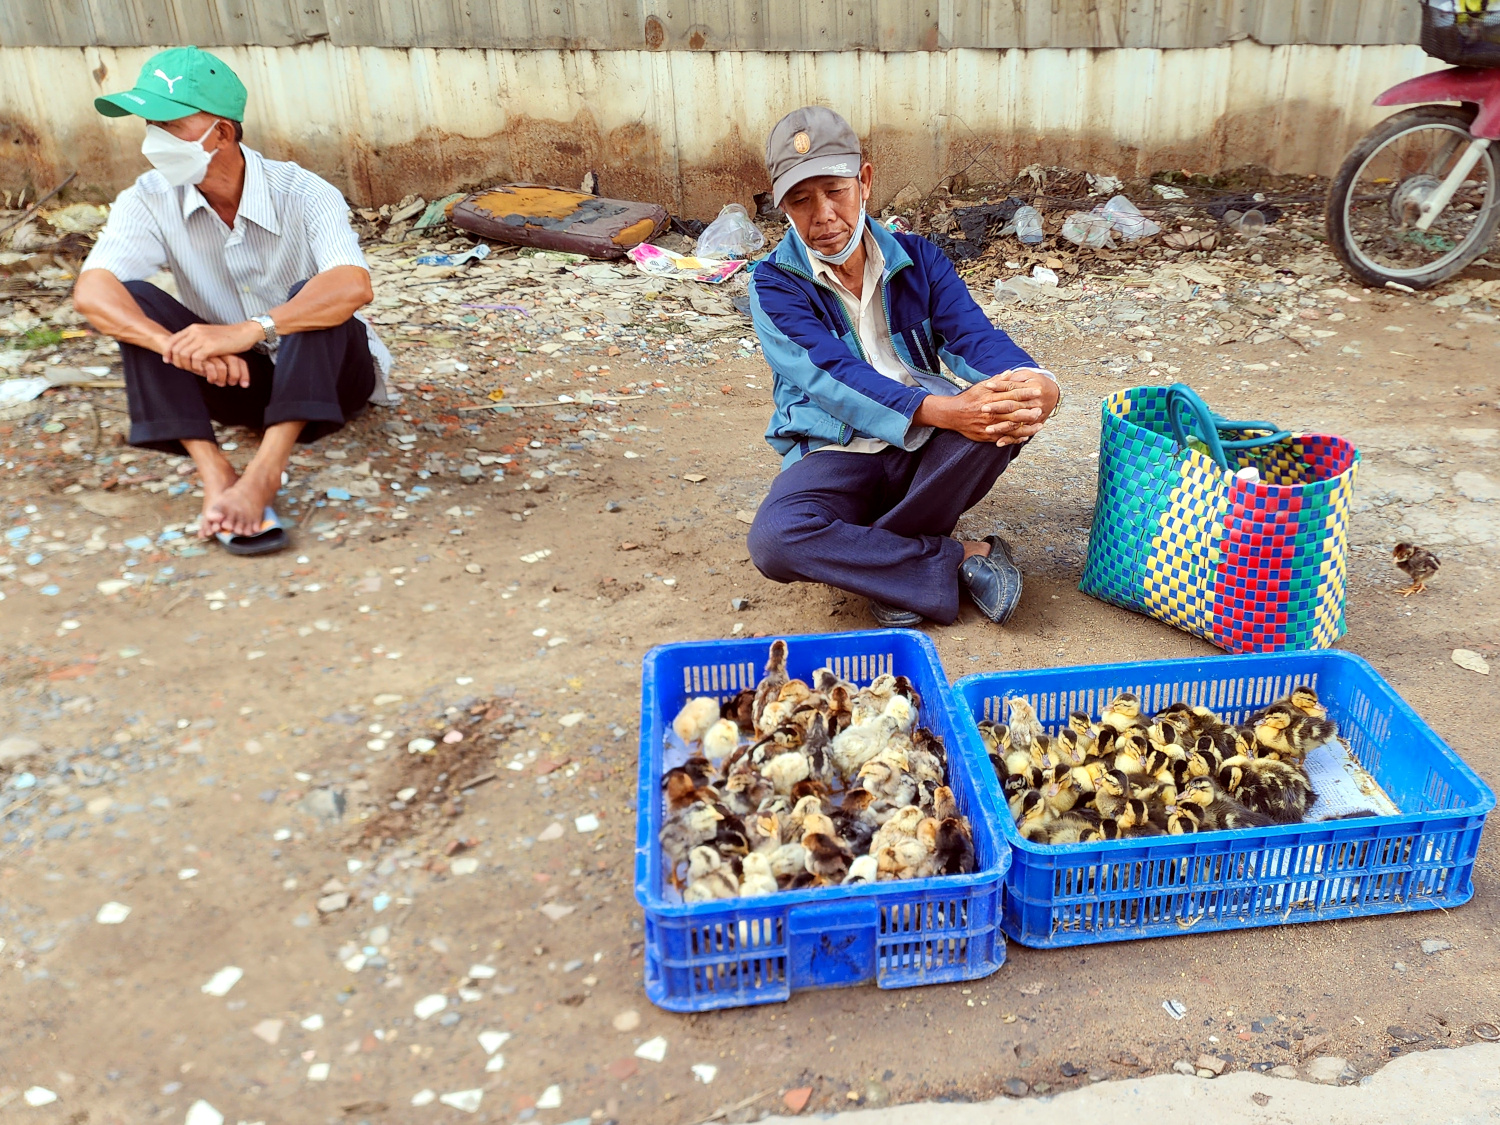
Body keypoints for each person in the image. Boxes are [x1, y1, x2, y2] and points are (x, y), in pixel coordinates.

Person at [746, 106, 1061, 627]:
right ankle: (957, 557)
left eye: (835, 192)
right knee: (776, 539)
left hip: (925, 450)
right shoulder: (775, 283)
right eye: (800, 201)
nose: (822, 215)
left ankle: (885, 568)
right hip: (836, 452)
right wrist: (942, 410)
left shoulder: (920, 259)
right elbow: (831, 375)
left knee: (1009, 409)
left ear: (864, 182)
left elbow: (971, 335)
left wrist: (1035, 383)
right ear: (783, 208)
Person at [73, 47, 392, 555]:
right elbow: (93, 291)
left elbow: (353, 286)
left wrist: (251, 329)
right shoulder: (147, 197)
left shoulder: (305, 192)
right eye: (149, 123)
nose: (153, 139)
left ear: (221, 132)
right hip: (233, 381)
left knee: (316, 298)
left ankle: (265, 473)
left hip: (329, 383)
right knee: (131, 300)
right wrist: (177, 346)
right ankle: (215, 469)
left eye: (169, 124)